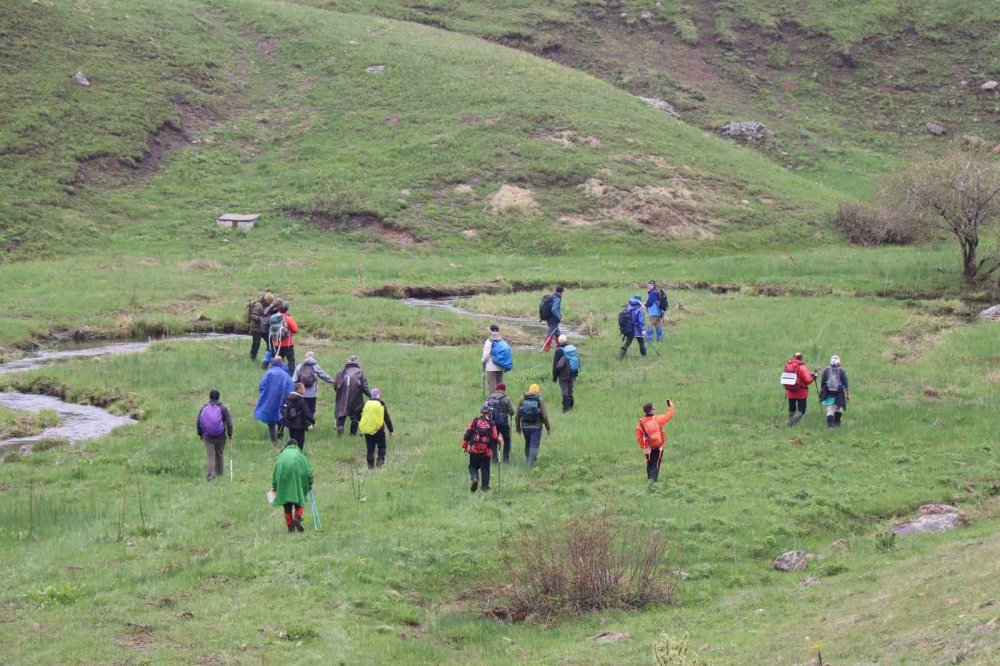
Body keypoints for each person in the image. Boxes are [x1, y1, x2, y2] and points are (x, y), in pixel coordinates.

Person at [271, 440, 314, 533]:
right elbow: (308, 471)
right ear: (296, 446)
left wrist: (274, 485)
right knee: (300, 500)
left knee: (287, 505)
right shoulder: (300, 455)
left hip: (284, 481)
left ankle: (290, 527)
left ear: (287, 446)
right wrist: (310, 482)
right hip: (298, 480)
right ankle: (297, 518)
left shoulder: (281, 456)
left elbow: (276, 471)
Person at [196, 389, 233, 481]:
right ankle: (220, 474)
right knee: (219, 454)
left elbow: (198, 421)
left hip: (207, 436)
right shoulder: (223, 408)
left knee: (210, 455)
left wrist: (200, 433)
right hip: (220, 436)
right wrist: (230, 434)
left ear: (210, 397)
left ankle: (211, 475)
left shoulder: (204, 407)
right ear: (218, 397)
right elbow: (229, 423)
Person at [255, 356, 295, 444]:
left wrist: (264, 395)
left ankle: (274, 441)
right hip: (282, 399)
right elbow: (290, 387)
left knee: (271, 421)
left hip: (269, 399)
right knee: (281, 417)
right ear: (281, 362)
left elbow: (262, 386)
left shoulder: (269, 373)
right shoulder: (285, 374)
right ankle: (280, 435)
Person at [635, 400, 675, 482]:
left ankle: (649, 479)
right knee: (655, 464)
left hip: (648, 448)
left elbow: (639, 438)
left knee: (649, 463)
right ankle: (652, 483)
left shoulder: (640, 424)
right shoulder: (658, 419)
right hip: (658, 446)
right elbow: (669, 415)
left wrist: (645, 447)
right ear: (651, 410)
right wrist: (671, 405)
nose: (654, 409)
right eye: (653, 408)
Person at [462, 403, 497, 492]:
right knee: (485, 469)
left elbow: (468, 433)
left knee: (473, 466)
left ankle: (474, 477)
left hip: (474, 449)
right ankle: (485, 488)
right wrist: (499, 441)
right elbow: (495, 437)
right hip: (486, 451)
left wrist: (465, 445)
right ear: (489, 413)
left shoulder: (475, 421)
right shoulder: (491, 423)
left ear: (481, 412)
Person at [515, 383, 551, 468]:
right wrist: (548, 428)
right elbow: (544, 416)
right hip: (537, 427)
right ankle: (530, 466)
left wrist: (518, 428)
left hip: (525, 426)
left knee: (528, 443)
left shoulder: (522, 398)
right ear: (537, 391)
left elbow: (517, 416)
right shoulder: (539, 400)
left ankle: (529, 460)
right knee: (534, 445)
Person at [334, 355, 370, 436]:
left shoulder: (341, 371)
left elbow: (335, 384)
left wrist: (339, 393)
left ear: (349, 361)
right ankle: (352, 434)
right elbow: (364, 387)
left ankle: (340, 427)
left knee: (341, 414)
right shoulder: (360, 372)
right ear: (357, 362)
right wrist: (371, 395)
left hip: (342, 396)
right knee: (354, 416)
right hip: (355, 397)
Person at [359, 388, 394, 468]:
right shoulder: (381, 404)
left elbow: (356, 411)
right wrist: (391, 431)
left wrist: (361, 419)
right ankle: (380, 460)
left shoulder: (366, 404)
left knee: (370, 449)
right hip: (379, 430)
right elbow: (387, 418)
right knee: (382, 446)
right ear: (379, 396)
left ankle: (370, 466)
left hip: (368, 431)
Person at [293, 352, 335, 418]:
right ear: (313, 357)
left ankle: (301, 422)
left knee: (300, 407)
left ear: (305, 357)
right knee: (311, 409)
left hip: (300, 392)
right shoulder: (315, 366)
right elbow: (323, 375)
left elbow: (294, 379)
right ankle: (310, 424)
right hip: (312, 393)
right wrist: (332, 381)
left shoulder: (299, 366)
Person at [782, 352, 816, 426]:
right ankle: (791, 423)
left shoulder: (788, 365)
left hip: (790, 392)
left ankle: (790, 421)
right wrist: (814, 377)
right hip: (801, 392)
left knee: (792, 409)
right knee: (801, 410)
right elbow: (808, 380)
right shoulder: (802, 367)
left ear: (793, 357)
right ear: (801, 358)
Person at [485, 382, 515, 462]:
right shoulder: (506, 398)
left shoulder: (490, 397)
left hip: (493, 423)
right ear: (504, 389)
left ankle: (494, 459)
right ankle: (506, 459)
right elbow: (512, 412)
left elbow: (485, 408)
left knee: (493, 441)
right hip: (504, 423)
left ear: (496, 389)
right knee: (507, 440)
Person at [820, 355, 850, 428]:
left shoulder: (826, 370)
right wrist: (848, 395)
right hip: (839, 393)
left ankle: (830, 425)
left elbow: (822, 383)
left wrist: (823, 393)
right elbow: (846, 384)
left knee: (830, 410)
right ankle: (837, 423)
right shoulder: (842, 371)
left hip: (828, 393)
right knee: (838, 409)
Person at [282, 382, 314, 450]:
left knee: (292, 442)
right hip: (299, 426)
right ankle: (298, 455)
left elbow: (282, 409)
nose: (304, 390)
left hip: (290, 424)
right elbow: (306, 413)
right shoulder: (301, 400)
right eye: (303, 389)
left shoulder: (288, 398)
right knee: (300, 443)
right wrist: (312, 421)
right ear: (299, 389)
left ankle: (291, 454)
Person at [552, 335, 579, 412]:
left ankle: (566, 408)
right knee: (570, 390)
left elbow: (556, 366)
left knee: (564, 390)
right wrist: (575, 374)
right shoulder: (571, 349)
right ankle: (571, 406)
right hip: (572, 373)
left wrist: (554, 377)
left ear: (558, 341)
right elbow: (575, 362)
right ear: (566, 341)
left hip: (563, 375)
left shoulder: (559, 351)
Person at [481, 324, 511, 394]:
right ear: (498, 331)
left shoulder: (489, 341)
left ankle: (493, 399)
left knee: (492, 384)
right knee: (500, 383)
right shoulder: (502, 341)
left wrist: (483, 361)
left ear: (490, 331)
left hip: (491, 367)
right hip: (500, 365)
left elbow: (486, 355)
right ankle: (501, 398)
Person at [248, 292, 274, 362]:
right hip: (256, 328)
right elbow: (253, 316)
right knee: (256, 344)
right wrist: (262, 319)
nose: (271, 302)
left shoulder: (266, 306)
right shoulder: (258, 305)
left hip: (263, 328)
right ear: (267, 300)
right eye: (271, 301)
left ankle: (267, 358)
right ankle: (252, 357)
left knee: (270, 343)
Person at [275, 302, 299, 375]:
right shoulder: (288, 318)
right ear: (286, 310)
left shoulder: (274, 317)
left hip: (277, 343)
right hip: (287, 344)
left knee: (279, 360)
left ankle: (277, 374)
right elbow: (295, 329)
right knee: (291, 360)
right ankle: (291, 376)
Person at [540, 285, 564, 351]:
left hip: (549, 318)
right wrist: (559, 317)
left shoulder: (552, 296)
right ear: (562, 292)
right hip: (553, 319)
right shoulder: (557, 298)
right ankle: (546, 349)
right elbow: (554, 309)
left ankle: (561, 347)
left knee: (557, 333)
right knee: (550, 333)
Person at [260, 296, 282, 369]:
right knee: (274, 349)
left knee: (269, 348)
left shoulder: (267, 308)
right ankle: (273, 366)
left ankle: (265, 362)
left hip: (265, 330)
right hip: (273, 332)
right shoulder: (276, 312)